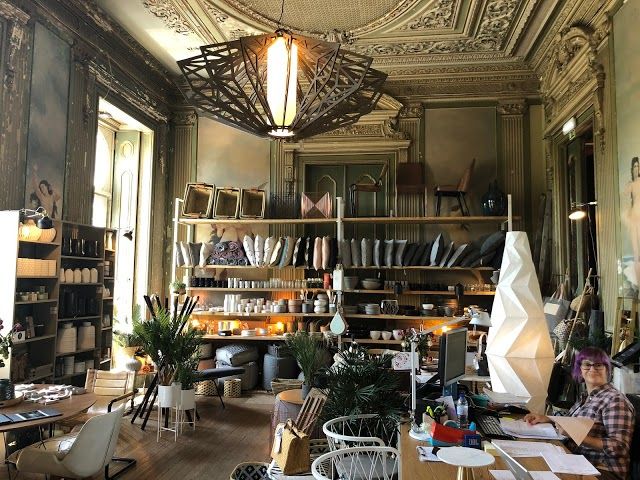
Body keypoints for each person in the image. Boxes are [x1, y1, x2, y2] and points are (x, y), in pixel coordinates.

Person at [524, 347, 635, 480]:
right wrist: (548, 418)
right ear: (580, 370)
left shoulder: (615, 400)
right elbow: (572, 423)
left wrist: (578, 437)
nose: (592, 369)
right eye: (587, 364)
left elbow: (620, 447)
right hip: (577, 462)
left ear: (607, 369)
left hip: (602, 471)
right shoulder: (587, 397)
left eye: (598, 365)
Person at [623, 157, 640, 287]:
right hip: (634, 216)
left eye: (638, 166)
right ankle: (638, 283)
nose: (636, 169)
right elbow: (624, 196)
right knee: (635, 251)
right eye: (634, 166)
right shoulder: (631, 184)